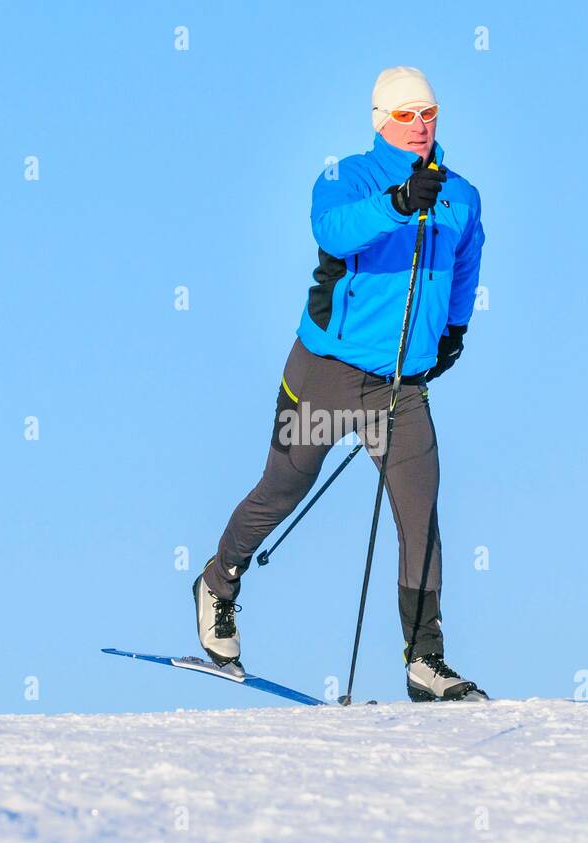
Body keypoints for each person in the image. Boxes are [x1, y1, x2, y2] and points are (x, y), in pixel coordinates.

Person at [193, 66, 487, 701]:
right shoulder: (345, 178)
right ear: (381, 119)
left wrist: (454, 330)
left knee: (420, 512)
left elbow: (465, 264)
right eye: (406, 114)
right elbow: (335, 230)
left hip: (401, 387)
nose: (421, 124)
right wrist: (400, 203)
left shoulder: (461, 194)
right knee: (283, 487)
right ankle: (220, 581)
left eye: (429, 112)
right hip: (325, 371)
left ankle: (425, 660)